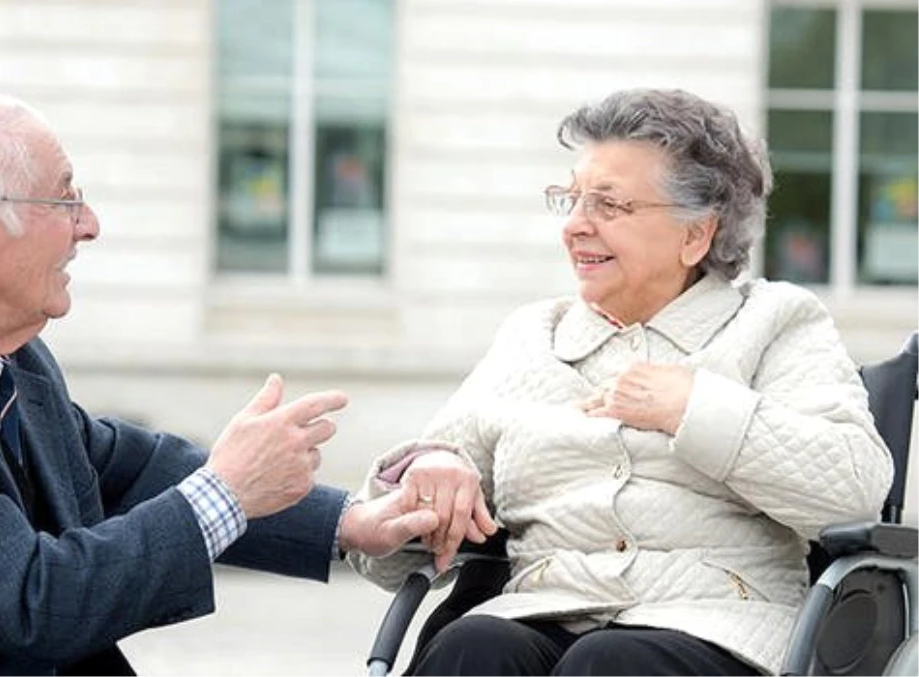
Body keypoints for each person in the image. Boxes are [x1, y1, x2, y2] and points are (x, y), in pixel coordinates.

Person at [0, 88, 485, 675]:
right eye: (65, 198)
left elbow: (125, 468)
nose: (90, 223)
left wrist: (348, 519)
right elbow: (37, 602)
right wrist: (227, 489)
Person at [350, 88, 895, 677]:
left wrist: (695, 408)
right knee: (472, 647)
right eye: (571, 199)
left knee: (610, 663)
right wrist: (427, 476)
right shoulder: (534, 336)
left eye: (608, 205)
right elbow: (379, 557)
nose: (575, 226)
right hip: (540, 609)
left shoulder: (775, 323)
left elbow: (854, 488)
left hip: (717, 624)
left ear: (697, 234)